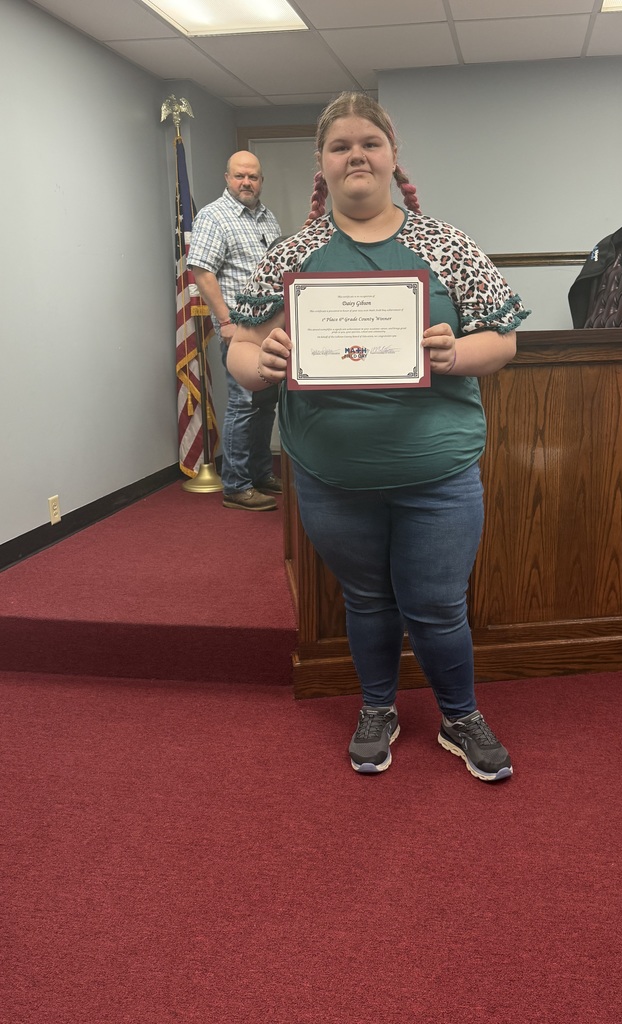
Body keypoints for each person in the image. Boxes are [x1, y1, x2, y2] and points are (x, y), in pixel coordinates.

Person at [226, 93, 530, 781]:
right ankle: (378, 708)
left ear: (392, 158)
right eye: (341, 146)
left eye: (369, 143)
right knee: (365, 600)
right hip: (332, 477)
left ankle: (460, 715)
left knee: (437, 603)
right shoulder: (292, 254)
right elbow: (239, 351)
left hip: (439, 472)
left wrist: (458, 352)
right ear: (322, 164)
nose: (356, 155)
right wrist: (261, 361)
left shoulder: (446, 243)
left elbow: (506, 339)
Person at [188, 151, 283, 511]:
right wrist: (226, 322)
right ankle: (236, 484)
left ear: (261, 181)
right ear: (227, 177)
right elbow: (202, 273)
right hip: (238, 332)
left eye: (254, 177)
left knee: (265, 405)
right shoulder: (215, 216)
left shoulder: (266, 217)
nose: (247, 182)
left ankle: (260, 474)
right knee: (243, 405)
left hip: (267, 331)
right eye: (240, 176)